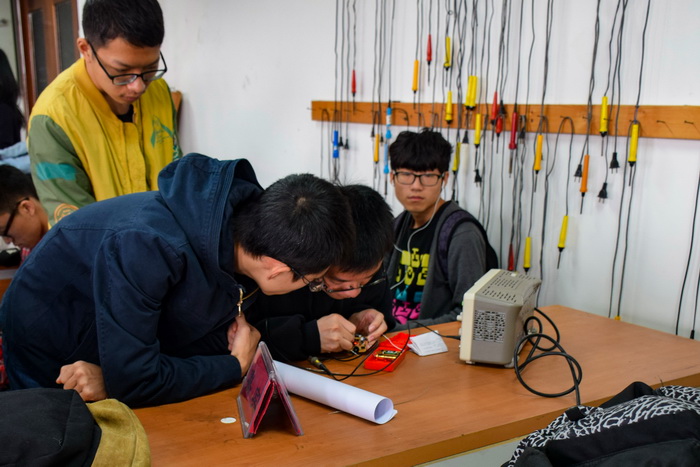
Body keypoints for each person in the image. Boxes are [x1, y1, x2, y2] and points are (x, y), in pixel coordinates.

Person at [0, 153, 354, 407]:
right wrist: (233, 365)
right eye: (312, 281)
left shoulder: (237, 231)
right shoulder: (149, 246)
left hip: (110, 340)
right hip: (50, 344)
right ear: (277, 269)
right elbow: (137, 382)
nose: (312, 287)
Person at [27, 0, 181, 226]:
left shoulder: (158, 91)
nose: (138, 86)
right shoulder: (53, 119)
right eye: (122, 71)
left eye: (150, 68)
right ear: (86, 50)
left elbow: (176, 181)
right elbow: (78, 230)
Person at [248, 184, 395, 362]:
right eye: (339, 281)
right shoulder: (283, 274)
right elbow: (243, 340)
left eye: (366, 281)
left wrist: (368, 320)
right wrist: (308, 336)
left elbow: (382, 313)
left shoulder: (374, 262)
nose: (354, 293)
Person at [386, 129, 497, 330]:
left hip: (432, 343)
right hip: (390, 338)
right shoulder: (396, 226)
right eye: (406, 175)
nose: (416, 186)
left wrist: (398, 331)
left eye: (428, 176)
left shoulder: (462, 235)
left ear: (444, 178)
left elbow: (467, 314)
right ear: (392, 177)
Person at [0, 165, 49, 250]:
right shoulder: (28, 249)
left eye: (5, 232)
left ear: (27, 208)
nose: (7, 241)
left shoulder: (70, 238)